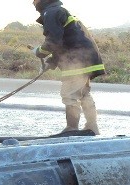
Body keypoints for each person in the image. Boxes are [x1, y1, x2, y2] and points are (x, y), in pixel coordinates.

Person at [32, 0, 105, 135]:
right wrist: (52, 62)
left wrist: (39, 52)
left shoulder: (51, 12)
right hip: (88, 58)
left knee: (69, 94)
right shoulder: (58, 11)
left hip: (78, 60)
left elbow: (53, 42)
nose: (32, 2)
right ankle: (92, 127)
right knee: (84, 94)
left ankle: (71, 128)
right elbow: (63, 42)